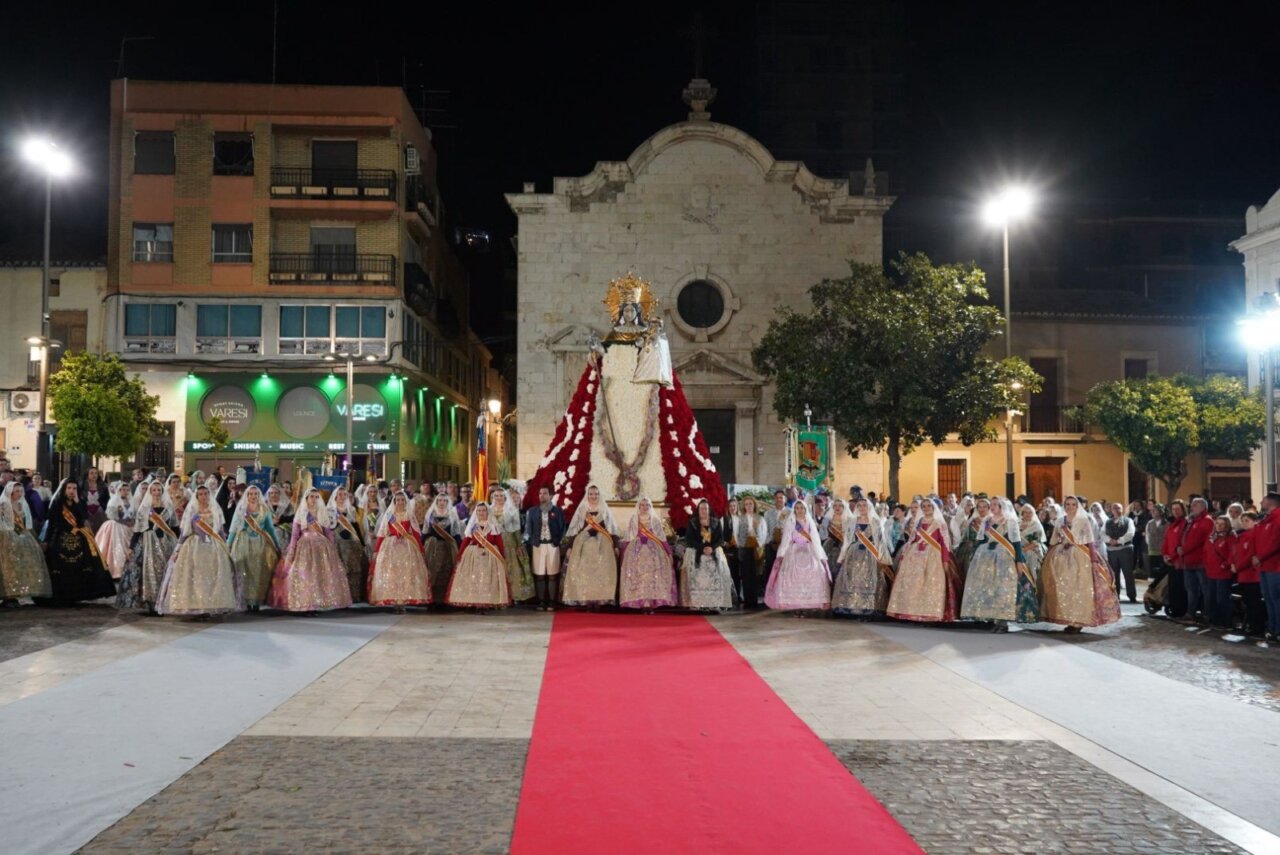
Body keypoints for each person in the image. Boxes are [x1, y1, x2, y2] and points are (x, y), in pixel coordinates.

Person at [1039, 496, 1121, 632]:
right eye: (1067, 504)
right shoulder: (1060, 521)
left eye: (1073, 504)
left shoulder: (1084, 520)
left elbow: (1090, 541)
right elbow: (1054, 540)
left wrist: (1094, 560)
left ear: (1077, 506)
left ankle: (1078, 621)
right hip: (1062, 556)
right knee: (1064, 588)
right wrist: (1048, 556)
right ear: (1064, 506)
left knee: (1080, 589)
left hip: (1080, 556)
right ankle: (1069, 618)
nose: (1070, 507)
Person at [157, 485, 241, 616]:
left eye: (206, 493)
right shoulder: (192, 510)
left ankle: (212, 605)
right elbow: (184, 532)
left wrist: (226, 545)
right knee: (196, 576)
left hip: (214, 546)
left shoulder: (215, 510)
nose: (203, 496)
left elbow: (219, 530)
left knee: (214, 576)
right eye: (200, 494)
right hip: (194, 545)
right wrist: (178, 549)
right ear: (197, 496)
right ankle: (197, 606)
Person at [268, 488, 353, 613]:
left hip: (322, 548)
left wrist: (332, 548)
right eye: (311, 497)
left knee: (319, 575)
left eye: (316, 497)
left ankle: (318, 602)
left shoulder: (322, 512)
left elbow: (328, 532)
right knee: (305, 575)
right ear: (306, 499)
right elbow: (295, 535)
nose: (314, 499)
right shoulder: (302, 513)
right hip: (305, 547)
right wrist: (292, 550)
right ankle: (307, 603)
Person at [961, 499, 1039, 629]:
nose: (992, 507)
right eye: (991, 505)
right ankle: (988, 616)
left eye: (995, 505)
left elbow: (1016, 542)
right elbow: (981, 540)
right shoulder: (987, 521)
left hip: (1004, 557)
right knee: (986, 588)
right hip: (985, 557)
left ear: (1002, 506)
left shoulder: (1010, 521)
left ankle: (1003, 620)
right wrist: (974, 555)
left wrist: (1019, 560)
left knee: (1003, 588)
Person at [38, 479, 116, 605]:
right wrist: (46, 541)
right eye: (69, 488)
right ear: (64, 489)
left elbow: (83, 519)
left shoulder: (80, 502)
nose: (71, 491)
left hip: (79, 537)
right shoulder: (57, 503)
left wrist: (78, 503)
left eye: (74, 488)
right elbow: (52, 524)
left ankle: (78, 594)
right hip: (60, 538)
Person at [887, 500, 958, 622]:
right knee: (914, 583)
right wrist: (905, 554)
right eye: (923, 506)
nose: (926, 508)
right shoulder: (919, 522)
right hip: (915, 555)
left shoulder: (939, 523)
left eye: (928, 506)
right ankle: (911, 611)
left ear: (933, 507)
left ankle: (930, 613)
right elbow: (912, 539)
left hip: (934, 556)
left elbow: (945, 543)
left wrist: (945, 560)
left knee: (931, 582)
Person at [118, 480, 178, 612]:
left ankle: (163, 602)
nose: (157, 493)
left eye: (159, 490)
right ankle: (150, 603)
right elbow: (138, 530)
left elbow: (175, 527)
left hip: (165, 543)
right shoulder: (144, 509)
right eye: (154, 490)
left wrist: (179, 545)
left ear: (163, 492)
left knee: (164, 571)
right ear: (150, 492)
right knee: (149, 572)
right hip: (148, 543)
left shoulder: (168, 507)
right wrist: (131, 547)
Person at [368, 491, 431, 611]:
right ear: (394, 501)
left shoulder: (409, 514)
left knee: (406, 574)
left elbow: (416, 533)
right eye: (398, 500)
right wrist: (376, 550)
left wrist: (420, 549)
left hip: (407, 548)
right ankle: (395, 602)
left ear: (406, 502)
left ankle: (402, 602)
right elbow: (381, 534)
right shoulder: (389, 515)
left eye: (403, 500)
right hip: (390, 546)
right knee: (392, 574)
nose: (400, 502)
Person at [764, 500, 830, 613]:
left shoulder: (810, 522)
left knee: (815, 573)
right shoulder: (791, 522)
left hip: (809, 551)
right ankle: (796, 607)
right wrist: (781, 555)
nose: (799, 510)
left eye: (802, 508)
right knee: (791, 576)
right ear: (794, 510)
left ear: (805, 509)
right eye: (797, 508)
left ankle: (807, 604)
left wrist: (820, 555)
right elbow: (786, 539)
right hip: (793, 551)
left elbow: (815, 539)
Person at [832, 498, 893, 617]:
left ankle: (869, 607)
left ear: (869, 507)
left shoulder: (875, 521)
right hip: (854, 554)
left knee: (869, 579)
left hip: (870, 554)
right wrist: (842, 556)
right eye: (859, 505)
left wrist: (882, 557)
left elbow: (880, 541)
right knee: (852, 579)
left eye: (864, 505)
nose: (862, 508)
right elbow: (847, 540)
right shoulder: (852, 521)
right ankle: (851, 606)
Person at [562, 484, 620, 607]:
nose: (594, 496)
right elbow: (575, 530)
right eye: (591, 494)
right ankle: (586, 599)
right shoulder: (582, 509)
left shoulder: (604, 510)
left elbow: (611, 529)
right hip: (584, 544)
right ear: (587, 495)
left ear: (599, 495)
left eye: (596, 494)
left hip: (602, 543)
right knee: (583, 571)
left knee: (602, 571)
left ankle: (599, 599)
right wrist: (570, 547)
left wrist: (616, 546)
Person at [447, 502, 512, 611]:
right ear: (476, 512)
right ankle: (476, 603)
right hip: (474, 556)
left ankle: (486, 604)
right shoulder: (472, 526)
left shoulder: (493, 526)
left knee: (488, 580)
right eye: (479, 511)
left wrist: (502, 556)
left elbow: (499, 542)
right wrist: (460, 555)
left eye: (483, 510)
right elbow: (466, 541)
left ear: (487, 512)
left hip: (490, 557)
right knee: (474, 580)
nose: (481, 513)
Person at [226, 485, 282, 611]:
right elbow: (233, 529)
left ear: (259, 495)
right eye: (250, 494)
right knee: (243, 571)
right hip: (243, 543)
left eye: (255, 494)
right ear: (246, 495)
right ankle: (245, 600)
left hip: (260, 544)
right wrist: (228, 544)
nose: (253, 496)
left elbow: (270, 529)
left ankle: (256, 601)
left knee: (258, 573)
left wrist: (277, 545)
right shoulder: (241, 509)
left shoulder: (264, 509)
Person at [0, 481, 52, 601]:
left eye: (21, 491)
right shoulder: (3, 504)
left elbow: (26, 523)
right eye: (17, 491)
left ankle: (22, 591)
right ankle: (8, 595)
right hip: (6, 536)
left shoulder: (21, 504)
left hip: (22, 535)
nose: (19, 493)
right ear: (10, 491)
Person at [680, 499, 733, 611]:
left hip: (712, 551)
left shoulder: (716, 522)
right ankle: (696, 602)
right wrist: (702, 548)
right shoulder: (693, 522)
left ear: (709, 510)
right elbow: (689, 540)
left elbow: (720, 539)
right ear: (698, 510)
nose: (704, 511)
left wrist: (712, 548)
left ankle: (715, 602)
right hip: (697, 551)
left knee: (721, 563)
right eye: (702, 508)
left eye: (706, 509)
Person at [524, 486, 566, 611]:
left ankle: (552, 602)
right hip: (538, 545)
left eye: (545, 493)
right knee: (539, 575)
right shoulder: (532, 511)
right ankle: (541, 601)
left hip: (552, 545)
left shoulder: (557, 511)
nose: (542, 495)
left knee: (552, 574)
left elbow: (562, 528)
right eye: (540, 493)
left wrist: (559, 542)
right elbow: (528, 529)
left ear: (550, 495)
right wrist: (531, 541)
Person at [328, 486, 366, 604]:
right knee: (338, 569)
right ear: (335, 496)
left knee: (352, 569)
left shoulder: (351, 509)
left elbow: (355, 526)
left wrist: (361, 542)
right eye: (340, 494)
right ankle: (338, 596)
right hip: (336, 542)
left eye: (344, 494)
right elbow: (327, 527)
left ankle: (352, 595)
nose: (342, 497)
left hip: (351, 544)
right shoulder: (329, 509)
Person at [1179, 497, 1213, 624]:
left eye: (1195, 505)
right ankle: (1190, 613)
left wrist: (1185, 549)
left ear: (1203, 507)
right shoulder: (1191, 521)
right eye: (1192, 505)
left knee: (1205, 589)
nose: (1191, 507)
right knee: (1191, 589)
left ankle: (1206, 614)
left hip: (1200, 561)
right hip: (1188, 561)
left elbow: (1201, 541)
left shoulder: (1207, 521)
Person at [1232, 511, 1266, 639]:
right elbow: (1235, 552)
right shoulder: (1241, 535)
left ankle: (1256, 627)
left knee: (1254, 603)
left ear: (1255, 521)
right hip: (1242, 574)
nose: (1244, 523)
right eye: (1243, 520)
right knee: (1247, 602)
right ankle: (1250, 625)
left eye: (1247, 520)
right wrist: (1232, 564)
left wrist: (1238, 566)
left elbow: (1251, 554)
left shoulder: (1254, 535)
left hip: (1252, 575)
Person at [424, 494, 462, 605]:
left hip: (448, 547)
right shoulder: (430, 514)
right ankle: (432, 601)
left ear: (447, 502)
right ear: (436, 502)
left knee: (446, 573)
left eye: (444, 500)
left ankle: (445, 600)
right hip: (433, 548)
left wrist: (460, 548)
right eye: (439, 500)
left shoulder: (452, 514)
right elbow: (425, 532)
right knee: (432, 572)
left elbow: (456, 534)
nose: (441, 502)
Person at [95, 482, 135, 585]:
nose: (125, 492)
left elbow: (134, 513)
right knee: (118, 547)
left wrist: (132, 522)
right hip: (118, 526)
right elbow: (112, 515)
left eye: (127, 490)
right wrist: (124, 522)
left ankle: (130, 571)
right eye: (123, 490)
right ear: (119, 490)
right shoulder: (114, 501)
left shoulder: (132, 501)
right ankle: (118, 571)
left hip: (130, 527)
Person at [1253, 492, 1280, 645]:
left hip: (1275, 566)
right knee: (1269, 599)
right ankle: (1272, 628)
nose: (1260, 501)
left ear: (1270, 502)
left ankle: (1278, 630)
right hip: (1264, 565)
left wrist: (1260, 557)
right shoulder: (1266, 519)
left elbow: (1275, 543)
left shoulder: (1277, 519)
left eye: (1263, 499)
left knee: (1276, 599)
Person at [1203, 515, 1236, 632]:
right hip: (1211, 572)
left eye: (1222, 524)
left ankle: (1225, 622)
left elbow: (1232, 554)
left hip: (1223, 573)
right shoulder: (1212, 537)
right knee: (1211, 597)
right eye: (1217, 523)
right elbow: (1206, 552)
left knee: (1222, 598)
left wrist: (1226, 565)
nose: (1219, 526)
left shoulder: (1230, 538)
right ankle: (1214, 620)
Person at [734, 496, 768, 609]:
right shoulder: (740, 518)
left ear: (754, 505)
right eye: (747, 504)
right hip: (744, 548)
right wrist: (740, 545)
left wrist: (760, 545)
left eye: (751, 504)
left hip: (756, 549)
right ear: (744, 506)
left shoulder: (760, 518)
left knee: (755, 575)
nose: (749, 506)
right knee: (745, 575)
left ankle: (754, 600)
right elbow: (737, 534)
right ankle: (747, 600)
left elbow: (764, 533)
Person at [1104, 501, 1138, 603]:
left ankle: (1132, 595)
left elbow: (1130, 533)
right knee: (1114, 574)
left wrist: (1118, 541)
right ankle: (1115, 595)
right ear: (1111, 510)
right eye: (1115, 508)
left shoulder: (1128, 521)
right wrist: (1109, 540)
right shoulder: (1108, 522)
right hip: (1112, 551)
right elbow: (1102, 533)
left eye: (1119, 508)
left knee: (1128, 573)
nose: (1117, 510)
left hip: (1125, 550)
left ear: (1122, 510)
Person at [1161, 500, 1190, 619]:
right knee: (1173, 586)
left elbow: (1181, 543)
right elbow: (1166, 541)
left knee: (1181, 587)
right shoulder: (1171, 524)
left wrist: (1172, 556)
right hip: (1171, 560)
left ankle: (1181, 611)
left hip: (1180, 561)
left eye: (1178, 509)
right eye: (1173, 509)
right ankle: (1174, 609)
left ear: (1183, 509)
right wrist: (1165, 555)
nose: (1176, 512)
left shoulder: (1186, 523)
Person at [763, 490, 790, 587]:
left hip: (785, 547)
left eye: (781, 498)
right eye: (777, 498)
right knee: (770, 570)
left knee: (784, 570)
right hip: (771, 546)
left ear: (785, 499)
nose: (779, 500)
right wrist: (767, 542)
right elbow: (764, 529)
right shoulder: (768, 513)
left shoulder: (791, 513)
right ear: (774, 499)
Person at [1019, 503, 1048, 586]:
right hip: (1019, 549)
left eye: (1030, 512)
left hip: (1032, 550)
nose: (1028, 514)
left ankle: (1033, 585)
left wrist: (1023, 550)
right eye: (1026, 512)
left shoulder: (1036, 525)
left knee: (1029, 555)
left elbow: (1036, 541)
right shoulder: (1017, 524)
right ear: (1022, 513)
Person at [821, 498, 850, 573]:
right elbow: (823, 532)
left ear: (844, 507)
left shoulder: (848, 519)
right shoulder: (828, 518)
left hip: (843, 543)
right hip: (830, 543)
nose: (837, 507)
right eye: (835, 505)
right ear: (833, 507)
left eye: (840, 505)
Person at [82, 467, 109, 533]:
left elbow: (107, 500)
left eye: (96, 473)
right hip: (86, 513)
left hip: (100, 513)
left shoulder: (103, 486)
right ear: (87, 475)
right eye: (92, 473)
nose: (94, 475)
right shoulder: (82, 485)